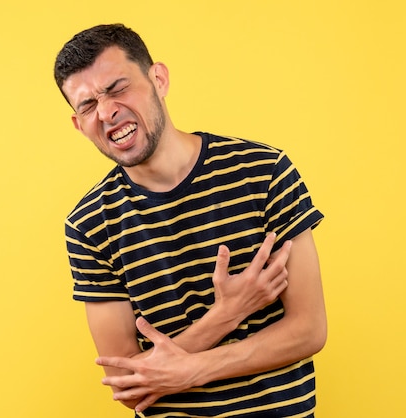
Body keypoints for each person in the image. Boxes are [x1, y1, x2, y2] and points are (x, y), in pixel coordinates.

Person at [54, 23, 327, 418]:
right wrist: (226, 315)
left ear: (158, 79)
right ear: (79, 125)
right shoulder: (88, 225)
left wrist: (189, 370)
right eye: (87, 105)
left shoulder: (263, 172)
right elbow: (128, 386)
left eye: (117, 88)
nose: (107, 111)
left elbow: (309, 329)